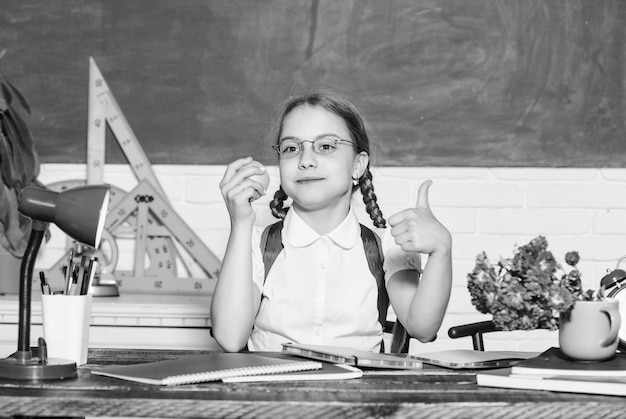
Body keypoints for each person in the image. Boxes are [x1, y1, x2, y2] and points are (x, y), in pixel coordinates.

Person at [211, 89, 452, 353]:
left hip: (358, 392)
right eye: (291, 148)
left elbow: (423, 328)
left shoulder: (386, 247)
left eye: (325, 146)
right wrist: (240, 223)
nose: (306, 161)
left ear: (358, 166)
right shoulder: (257, 242)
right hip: (272, 389)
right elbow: (230, 337)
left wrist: (442, 250)